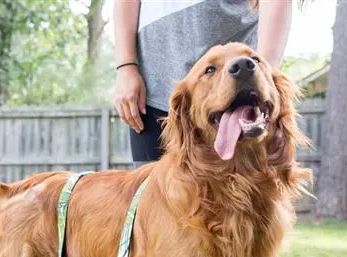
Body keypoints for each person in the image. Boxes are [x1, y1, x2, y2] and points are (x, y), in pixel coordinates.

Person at [113, 0, 294, 164]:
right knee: (150, 196)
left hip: (241, 92)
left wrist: (264, 75)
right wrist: (126, 66)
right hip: (151, 90)